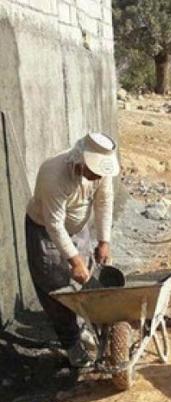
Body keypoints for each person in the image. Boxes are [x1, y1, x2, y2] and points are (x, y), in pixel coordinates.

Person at [25, 132, 119, 367]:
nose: (97, 176)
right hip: (45, 232)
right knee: (58, 290)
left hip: (78, 229)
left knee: (85, 284)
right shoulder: (53, 174)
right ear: (81, 160)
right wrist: (74, 260)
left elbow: (104, 201)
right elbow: (54, 225)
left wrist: (104, 240)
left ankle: (83, 328)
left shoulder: (100, 172)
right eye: (93, 170)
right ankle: (71, 344)